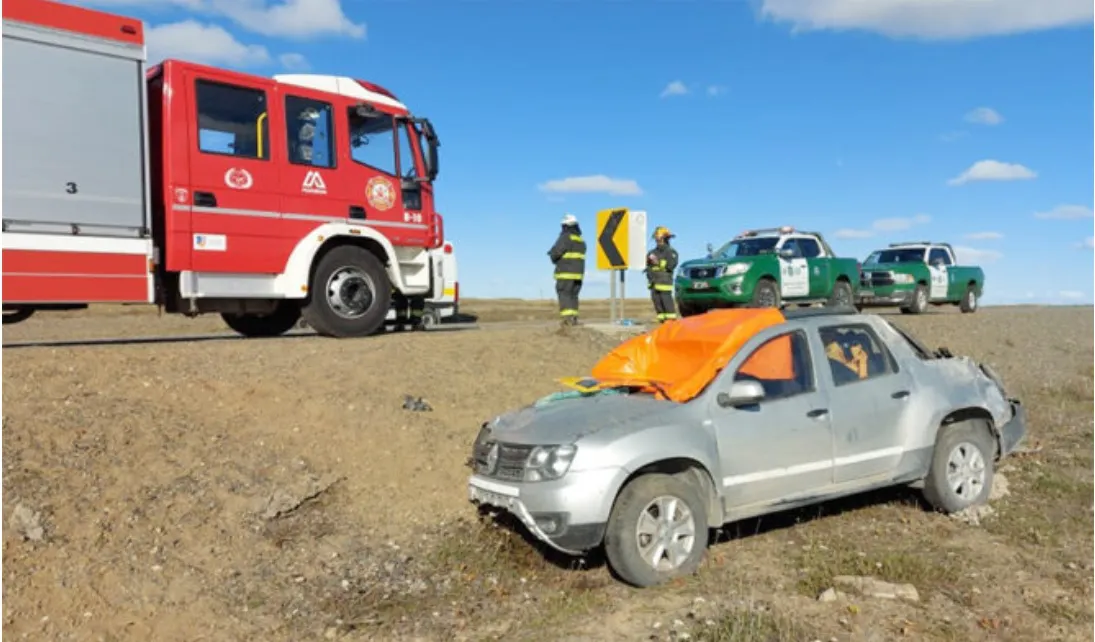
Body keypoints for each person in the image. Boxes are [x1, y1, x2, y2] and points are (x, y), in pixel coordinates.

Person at [547, 213, 586, 325]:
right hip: (578, 275)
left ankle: (567, 320)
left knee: (564, 294)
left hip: (566, 274)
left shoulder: (565, 237)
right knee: (573, 296)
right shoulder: (580, 240)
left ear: (565, 226)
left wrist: (552, 255)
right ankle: (573, 318)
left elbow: (556, 252)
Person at [645, 226, 679, 323]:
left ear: (665, 238)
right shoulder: (651, 252)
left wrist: (657, 262)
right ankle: (662, 325)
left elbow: (671, 265)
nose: (657, 240)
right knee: (658, 307)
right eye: (656, 238)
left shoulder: (671, 252)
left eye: (659, 238)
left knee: (667, 305)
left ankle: (671, 325)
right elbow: (648, 266)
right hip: (653, 284)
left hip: (664, 283)